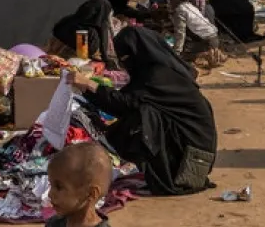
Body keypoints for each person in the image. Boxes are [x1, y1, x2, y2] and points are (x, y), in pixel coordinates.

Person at [72, 28, 217, 196]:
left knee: (142, 118)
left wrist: (90, 86)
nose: (124, 64)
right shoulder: (160, 70)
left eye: (125, 59)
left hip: (192, 161)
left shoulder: (159, 75)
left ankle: (162, 174)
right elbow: (127, 97)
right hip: (192, 151)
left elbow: (126, 105)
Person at [52, 0, 118, 66]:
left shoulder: (67, 20)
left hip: (51, 56)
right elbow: (80, 56)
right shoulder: (86, 31)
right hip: (62, 63)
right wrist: (105, 59)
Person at [171, 0, 225, 67]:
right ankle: (214, 52)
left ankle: (207, 55)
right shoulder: (189, 6)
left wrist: (176, 53)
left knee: (183, 51)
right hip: (214, 39)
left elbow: (180, 33)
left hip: (207, 42)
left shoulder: (180, 11)